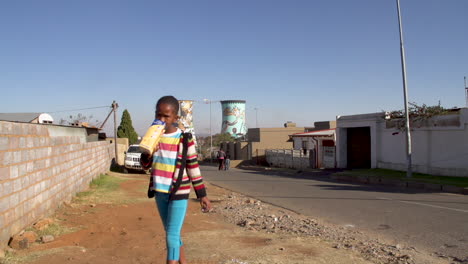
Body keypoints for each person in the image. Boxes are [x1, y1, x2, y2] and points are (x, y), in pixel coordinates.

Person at [140, 95, 212, 264]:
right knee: (172, 232)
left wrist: (202, 195)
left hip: (179, 192)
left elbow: (193, 167)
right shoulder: (152, 137)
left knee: (171, 236)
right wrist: (148, 151)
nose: (162, 119)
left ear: (175, 117)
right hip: (159, 191)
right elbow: (145, 165)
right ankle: (183, 262)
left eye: (166, 116)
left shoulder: (184, 139)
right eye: (158, 115)